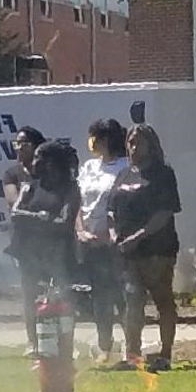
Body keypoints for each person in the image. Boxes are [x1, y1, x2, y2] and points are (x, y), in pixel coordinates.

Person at [109, 124, 181, 373]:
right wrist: (114, 234)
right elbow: (111, 209)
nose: (134, 147)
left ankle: (165, 354)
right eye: (131, 142)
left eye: (139, 142)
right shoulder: (123, 174)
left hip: (157, 249)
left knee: (163, 300)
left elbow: (165, 212)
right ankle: (133, 355)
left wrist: (139, 236)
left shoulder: (162, 174)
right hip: (127, 252)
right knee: (131, 302)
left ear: (152, 145)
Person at [8, 141, 80, 318]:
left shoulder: (70, 188)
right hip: (29, 253)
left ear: (50, 163)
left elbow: (64, 222)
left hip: (58, 255)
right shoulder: (29, 187)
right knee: (30, 299)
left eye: (37, 157)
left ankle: (64, 344)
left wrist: (30, 220)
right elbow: (15, 214)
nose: (33, 162)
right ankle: (33, 343)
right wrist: (41, 217)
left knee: (62, 300)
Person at [76, 119, 128, 364]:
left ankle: (132, 346)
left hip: (115, 244)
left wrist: (113, 235)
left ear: (105, 140)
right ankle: (104, 344)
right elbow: (78, 201)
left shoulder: (125, 167)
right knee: (100, 296)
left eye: (95, 137)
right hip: (90, 242)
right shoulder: (88, 167)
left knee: (122, 294)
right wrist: (82, 230)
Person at [3, 126, 46, 356]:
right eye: (16, 144)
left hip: (50, 240)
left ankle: (56, 338)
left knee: (55, 289)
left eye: (25, 144)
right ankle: (32, 341)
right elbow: (13, 204)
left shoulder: (50, 173)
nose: (19, 148)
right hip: (24, 242)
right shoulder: (12, 174)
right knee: (29, 292)